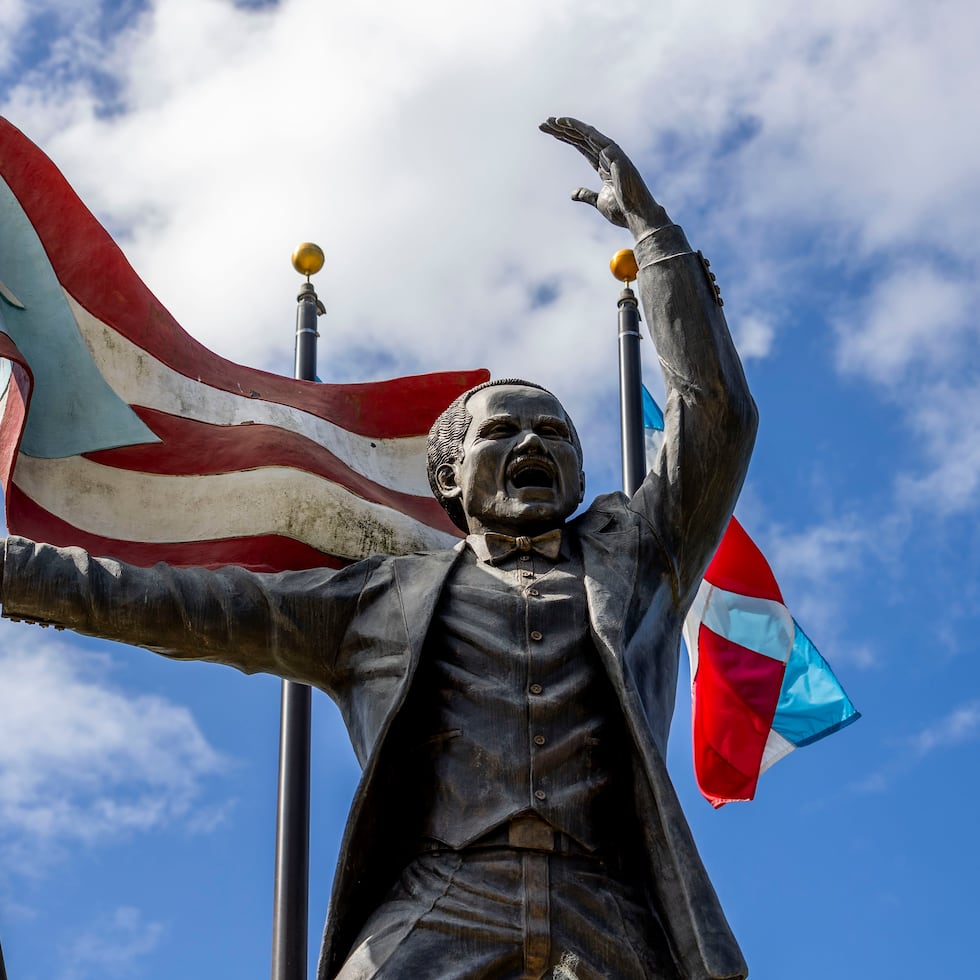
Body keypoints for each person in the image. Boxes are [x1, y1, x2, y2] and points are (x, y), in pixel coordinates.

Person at [0, 118, 757, 979]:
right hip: (440, 901)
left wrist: (656, 240)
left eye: (553, 432)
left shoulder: (639, 556)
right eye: (500, 431)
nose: (531, 444)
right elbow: (182, 604)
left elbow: (717, 416)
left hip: (611, 905)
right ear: (449, 478)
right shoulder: (377, 601)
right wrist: (14, 574)